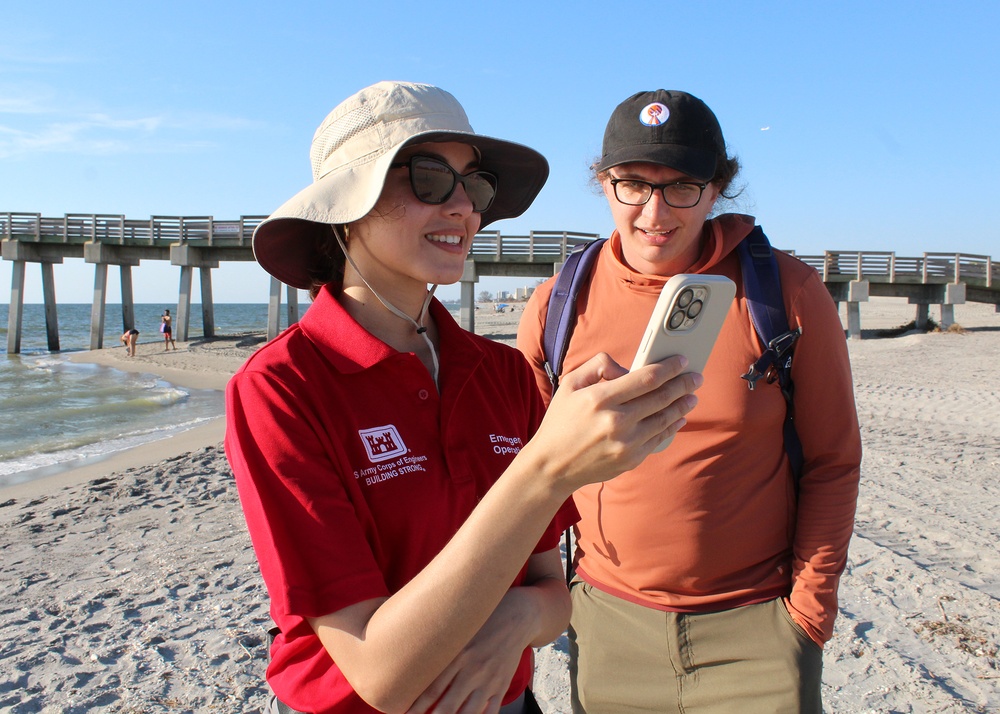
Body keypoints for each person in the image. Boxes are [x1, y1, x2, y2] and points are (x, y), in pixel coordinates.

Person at [224, 81, 701, 714]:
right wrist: (548, 466)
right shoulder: (282, 387)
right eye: (428, 178)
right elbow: (379, 675)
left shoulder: (501, 373)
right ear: (346, 206)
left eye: (474, 185)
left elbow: (551, 593)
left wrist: (514, 625)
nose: (464, 208)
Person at [517, 90, 862, 713]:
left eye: (682, 187)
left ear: (717, 188)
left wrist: (808, 611)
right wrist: (551, 596)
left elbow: (834, 460)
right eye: (632, 185)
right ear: (603, 184)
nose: (655, 211)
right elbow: (526, 470)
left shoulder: (787, 292)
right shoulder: (556, 306)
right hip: (607, 626)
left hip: (758, 629)